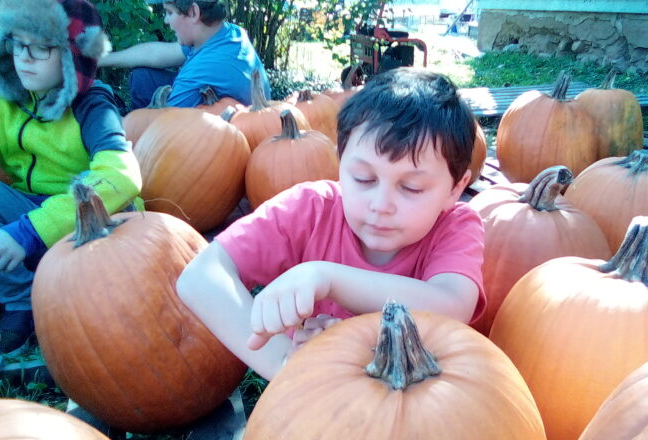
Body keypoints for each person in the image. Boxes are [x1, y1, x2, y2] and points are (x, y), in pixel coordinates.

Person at [177, 68, 484, 380]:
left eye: (411, 188)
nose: (381, 205)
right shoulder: (309, 210)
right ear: (340, 162)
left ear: (456, 189)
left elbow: (452, 306)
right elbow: (201, 276)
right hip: (326, 404)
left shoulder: (456, 226)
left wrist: (327, 278)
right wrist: (288, 364)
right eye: (364, 178)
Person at [0, 0, 142, 357]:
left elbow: (121, 175)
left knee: (101, 297)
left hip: (87, 229)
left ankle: (80, 303)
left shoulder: (93, 106)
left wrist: (28, 231)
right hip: (26, 217)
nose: (25, 57)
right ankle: (20, 302)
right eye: (16, 42)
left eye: (42, 47)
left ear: (73, 56)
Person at [98, 0, 271, 109]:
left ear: (193, 13)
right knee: (144, 77)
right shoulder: (226, 33)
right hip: (216, 114)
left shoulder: (203, 68)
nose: (166, 20)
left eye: (169, 12)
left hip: (217, 143)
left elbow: (168, 130)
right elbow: (154, 54)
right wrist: (99, 60)